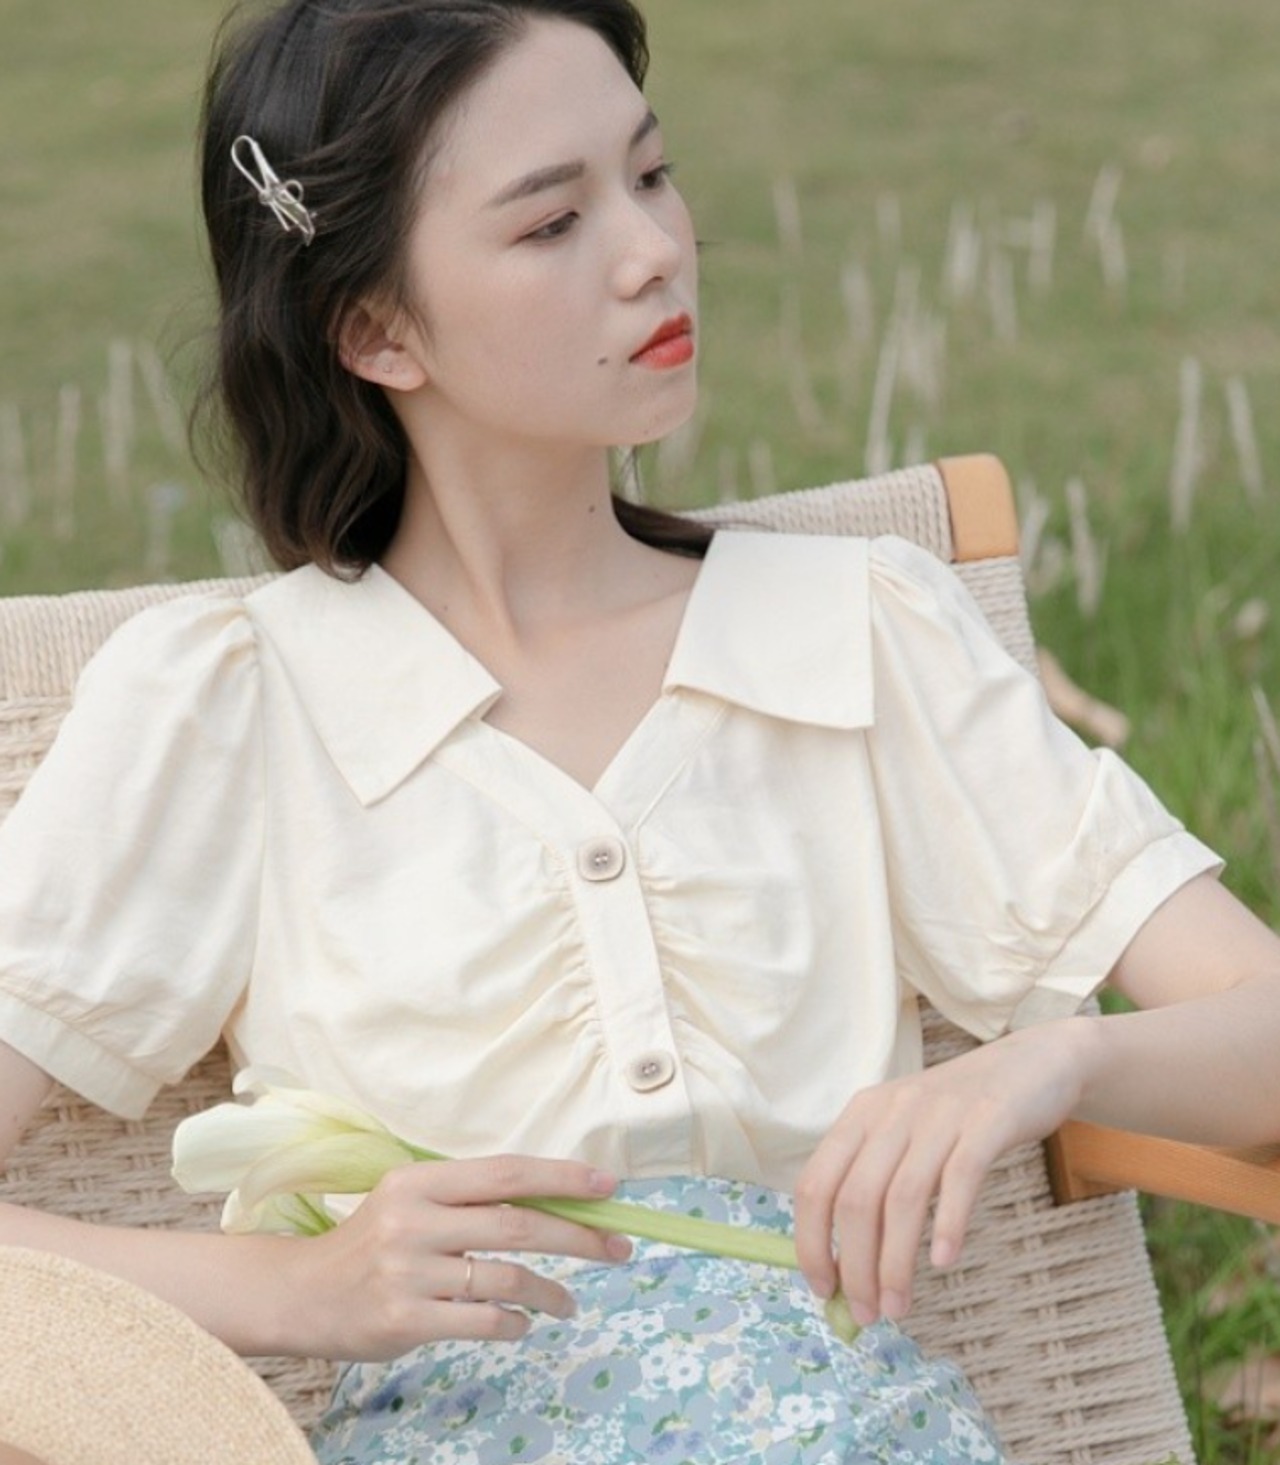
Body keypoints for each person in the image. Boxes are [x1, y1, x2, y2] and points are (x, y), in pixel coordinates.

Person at [1, 1, 1279, 1460]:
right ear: (374, 329)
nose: (654, 250)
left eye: (653, 174)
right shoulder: (228, 703)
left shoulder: (861, 633)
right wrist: (298, 1288)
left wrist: (1049, 1066)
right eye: (553, 222)